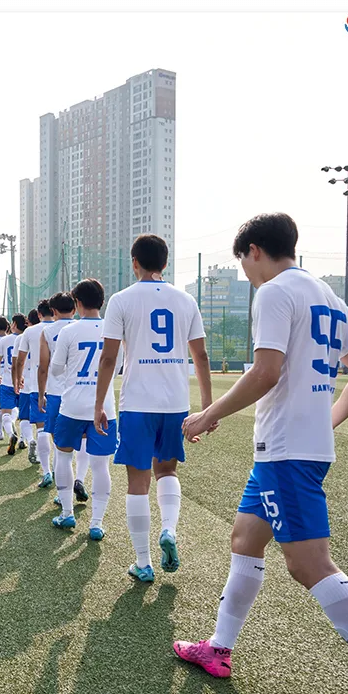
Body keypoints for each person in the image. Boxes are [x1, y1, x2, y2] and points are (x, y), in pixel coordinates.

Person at [172, 213, 348, 694]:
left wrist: (208, 414)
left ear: (252, 251)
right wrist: (327, 419)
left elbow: (265, 370)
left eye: (242, 263)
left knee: (309, 564)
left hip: (286, 450)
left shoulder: (272, 292)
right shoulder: (327, 295)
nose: (246, 273)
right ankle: (219, 649)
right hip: (294, 448)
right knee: (245, 537)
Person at [94, 234, 210, 583]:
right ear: (166, 262)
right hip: (176, 403)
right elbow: (201, 356)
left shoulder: (121, 300)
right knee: (167, 472)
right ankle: (170, 530)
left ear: (134, 262)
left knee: (137, 483)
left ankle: (143, 562)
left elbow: (110, 358)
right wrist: (208, 409)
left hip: (138, 404)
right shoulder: (186, 299)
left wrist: (99, 403)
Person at [47, 279, 113, 541]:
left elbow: (56, 369)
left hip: (72, 405)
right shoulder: (114, 328)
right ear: (102, 301)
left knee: (62, 456)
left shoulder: (68, 331)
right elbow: (116, 366)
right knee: (101, 465)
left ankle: (67, 512)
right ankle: (96, 523)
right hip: (105, 407)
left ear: (77, 303)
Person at [35, 292, 76, 491]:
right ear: (74, 308)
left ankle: (59, 486)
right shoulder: (83, 327)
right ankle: (80, 480)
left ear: (53, 310)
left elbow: (43, 367)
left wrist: (41, 394)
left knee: (59, 444)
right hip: (82, 391)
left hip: (56, 392)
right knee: (83, 443)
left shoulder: (48, 332)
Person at [13, 306, 45, 465]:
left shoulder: (23, 336)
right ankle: (39, 448)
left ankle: (29, 439)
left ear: (28, 321)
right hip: (44, 382)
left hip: (27, 381)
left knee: (24, 416)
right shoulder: (50, 331)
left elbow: (17, 361)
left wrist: (17, 380)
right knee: (44, 421)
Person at [0, 314, 25, 455]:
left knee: (5, 414)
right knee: (24, 415)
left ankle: (10, 434)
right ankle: (22, 438)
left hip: (8, 381)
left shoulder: (5, 340)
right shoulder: (28, 337)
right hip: (24, 382)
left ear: (14, 324)